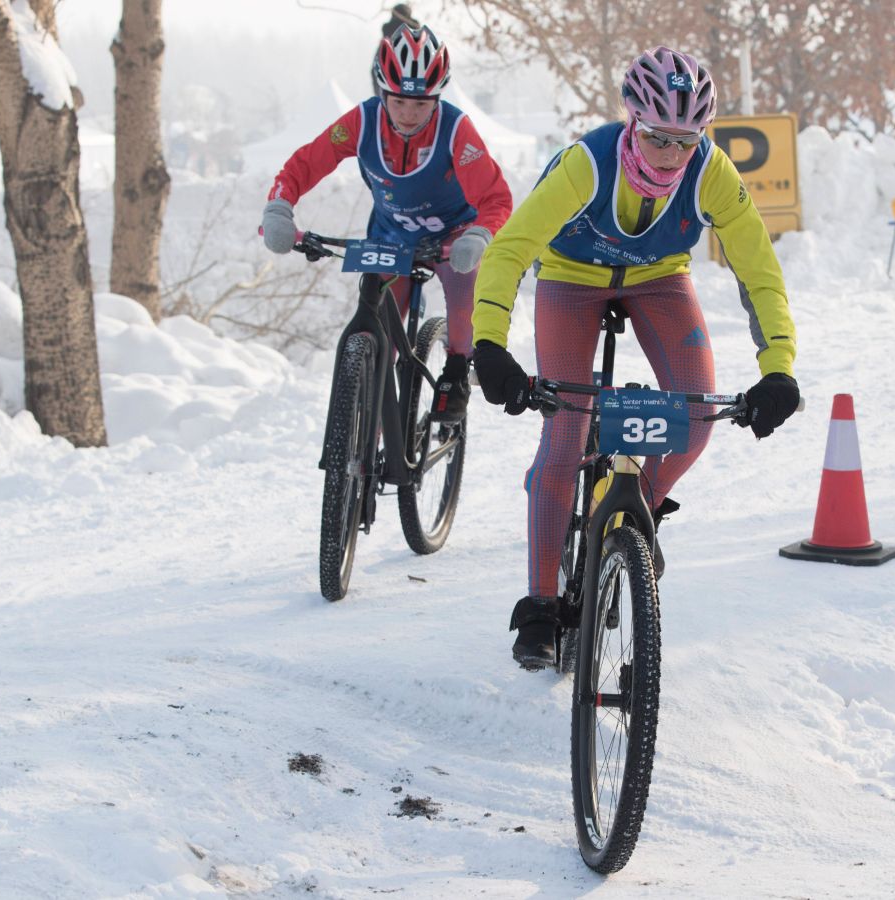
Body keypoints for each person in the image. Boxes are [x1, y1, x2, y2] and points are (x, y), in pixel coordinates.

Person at [469, 46, 800, 669]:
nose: (672, 155)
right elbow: (510, 250)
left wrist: (777, 367)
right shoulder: (586, 165)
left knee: (694, 420)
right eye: (657, 138)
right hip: (571, 277)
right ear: (632, 123)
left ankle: (637, 514)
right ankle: (541, 603)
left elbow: (760, 271)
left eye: (686, 139)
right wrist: (489, 345)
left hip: (658, 278)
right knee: (565, 435)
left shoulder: (712, 173)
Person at [262, 24, 513, 422]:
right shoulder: (361, 122)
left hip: (453, 236)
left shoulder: (455, 129)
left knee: (464, 285)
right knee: (378, 329)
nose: (409, 114)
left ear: (437, 98)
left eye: (421, 105)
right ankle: (369, 431)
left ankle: (456, 371)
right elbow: (306, 163)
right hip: (391, 236)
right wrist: (279, 208)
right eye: (398, 103)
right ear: (382, 92)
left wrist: (480, 235)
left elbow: (496, 198)